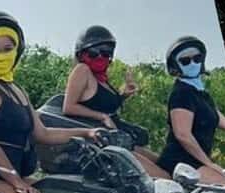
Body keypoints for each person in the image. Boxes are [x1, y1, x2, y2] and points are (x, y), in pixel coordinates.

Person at [0, 11, 99, 193]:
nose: (1, 55)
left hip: (14, 175)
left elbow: (43, 134)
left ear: (17, 50)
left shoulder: (18, 90)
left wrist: (88, 132)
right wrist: (16, 182)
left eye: (7, 49)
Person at [61, 25, 167, 178]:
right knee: (163, 177)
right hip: (103, 142)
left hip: (119, 138)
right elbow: (68, 107)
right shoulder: (82, 70)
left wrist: (123, 94)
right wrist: (102, 116)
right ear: (82, 53)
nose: (100, 57)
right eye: (94, 52)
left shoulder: (101, 78)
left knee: (163, 163)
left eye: (106, 53)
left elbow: (101, 102)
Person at [155, 36, 225, 187]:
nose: (193, 63)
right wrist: (210, 164)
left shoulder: (201, 93)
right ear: (175, 66)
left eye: (197, 58)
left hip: (196, 162)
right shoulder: (182, 93)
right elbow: (183, 135)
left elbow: (222, 121)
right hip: (180, 162)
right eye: (185, 61)